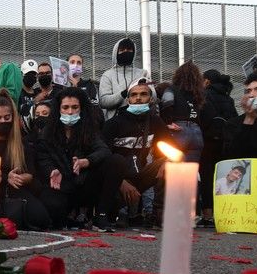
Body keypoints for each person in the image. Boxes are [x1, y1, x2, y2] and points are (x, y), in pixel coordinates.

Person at [37, 87, 126, 231]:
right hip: (60, 186)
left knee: (117, 161)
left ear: (81, 109)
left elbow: (104, 151)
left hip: (84, 184)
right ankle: (70, 218)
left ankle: (101, 215)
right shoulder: (48, 132)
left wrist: (87, 161)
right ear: (58, 109)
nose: (70, 112)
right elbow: (42, 157)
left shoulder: (88, 129)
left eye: (74, 107)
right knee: (50, 211)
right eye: (65, 107)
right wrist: (52, 170)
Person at [0, 89, 50, 230]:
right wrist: (3, 177)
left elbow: (31, 173)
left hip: (15, 190)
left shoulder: (20, 142)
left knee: (41, 218)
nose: (3, 122)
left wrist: (20, 178)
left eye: (7, 117)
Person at [101, 78, 173, 227]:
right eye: (133, 95)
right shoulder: (113, 124)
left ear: (151, 98)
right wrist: (120, 182)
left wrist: (166, 162)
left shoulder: (156, 122)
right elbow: (102, 158)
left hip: (140, 174)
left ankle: (157, 214)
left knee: (170, 165)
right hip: (116, 179)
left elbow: (170, 148)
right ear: (128, 100)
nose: (138, 98)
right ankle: (120, 213)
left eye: (143, 94)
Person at [197, 69, 238, 227]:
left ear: (207, 81)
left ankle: (208, 216)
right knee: (224, 177)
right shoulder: (228, 98)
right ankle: (225, 213)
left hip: (209, 142)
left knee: (207, 178)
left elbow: (203, 118)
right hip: (226, 142)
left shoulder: (205, 95)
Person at [159, 60, 211, 163]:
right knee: (190, 171)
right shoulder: (199, 94)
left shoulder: (172, 89)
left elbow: (167, 103)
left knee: (172, 168)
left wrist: (167, 123)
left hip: (178, 130)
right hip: (196, 133)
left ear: (178, 75)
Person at [98, 38, 146, 120]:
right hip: (115, 122)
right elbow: (103, 101)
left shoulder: (143, 73)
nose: (126, 52)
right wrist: (124, 93)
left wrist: (143, 90)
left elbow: (153, 97)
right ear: (116, 52)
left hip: (140, 120)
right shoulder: (108, 75)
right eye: (122, 50)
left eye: (129, 49)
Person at [67, 53, 103, 128]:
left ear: (82, 67)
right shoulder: (60, 85)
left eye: (79, 63)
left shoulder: (89, 84)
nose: (76, 65)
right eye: (72, 62)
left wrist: (77, 88)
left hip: (85, 125)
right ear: (66, 65)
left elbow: (93, 106)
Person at [18, 59, 39, 137]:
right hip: (22, 136)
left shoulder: (38, 92)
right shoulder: (18, 93)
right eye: (28, 74)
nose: (31, 76)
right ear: (22, 74)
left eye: (33, 74)